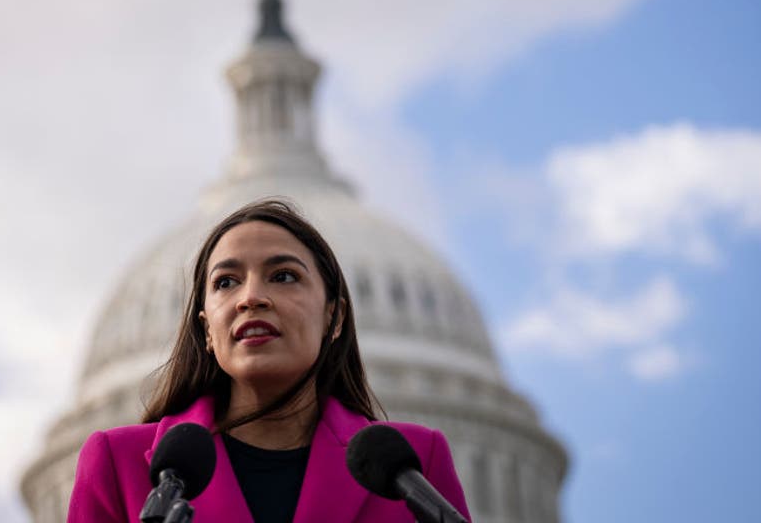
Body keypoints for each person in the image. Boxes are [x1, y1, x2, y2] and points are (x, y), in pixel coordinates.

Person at [67, 199, 471, 522]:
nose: (251, 298)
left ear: (335, 317)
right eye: (226, 282)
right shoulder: (119, 464)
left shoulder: (413, 467)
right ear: (207, 329)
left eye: (283, 276)